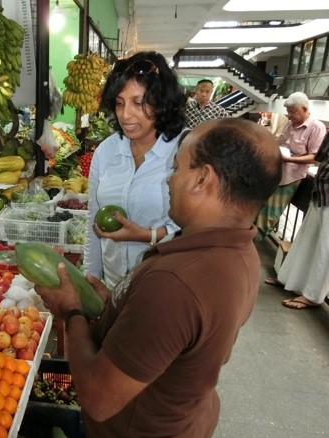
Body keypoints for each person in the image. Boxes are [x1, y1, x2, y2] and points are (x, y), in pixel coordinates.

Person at [34, 118, 283, 437]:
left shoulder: (175, 283)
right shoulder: (242, 253)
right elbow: (174, 340)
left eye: (177, 168)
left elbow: (97, 398)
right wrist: (116, 306)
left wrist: (72, 312)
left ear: (202, 179)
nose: (169, 180)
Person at [84, 51, 187, 290]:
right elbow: (94, 220)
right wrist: (90, 281)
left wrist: (148, 235)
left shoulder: (186, 150)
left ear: (161, 102)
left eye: (138, 103)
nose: (125, 115)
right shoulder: (107, 152)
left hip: (163, 284)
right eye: (119, 103)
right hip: (113, 283)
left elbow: (201, 227)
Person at [265, 131, 329, 309]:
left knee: (325, 248)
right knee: (308, 239)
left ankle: (313, 295)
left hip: (324, 191)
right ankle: (293, 281)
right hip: (321, 191)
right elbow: (321, 155)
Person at [254, 92, 326, 241]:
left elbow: (314, 157)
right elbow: (280, 142)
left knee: (270, 213)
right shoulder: (290, 124)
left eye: (293, 111)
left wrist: (288, 158)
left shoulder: (316, 127)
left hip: (291, 177)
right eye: (288, 111)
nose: (289, 115)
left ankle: (254, 241)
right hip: (275, 171)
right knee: (259, 206)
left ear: (305, 109)